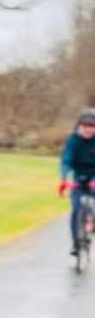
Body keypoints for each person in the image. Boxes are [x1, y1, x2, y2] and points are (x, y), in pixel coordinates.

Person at [58, 108, 95, 255]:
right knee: (76, 209)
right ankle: (76, 244)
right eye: (85, 126)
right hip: (78, 178)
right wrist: (63, 178)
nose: (88, 129)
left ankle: (91, 220)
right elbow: (66, 160)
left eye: (92, 126)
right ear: (79, 126)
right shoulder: (72, 140)